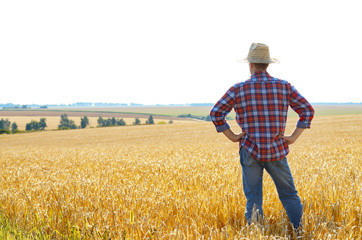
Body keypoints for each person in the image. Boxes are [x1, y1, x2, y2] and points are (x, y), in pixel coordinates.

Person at [209, 43, 314, 230]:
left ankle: (256, 234)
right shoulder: (284, 86)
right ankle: (300, 233)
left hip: (249, 150)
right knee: (289, 195)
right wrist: (293, 137)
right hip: (277, 150)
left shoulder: (238, 89)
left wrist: (232, 136)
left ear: (250, 64)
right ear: (267, 64)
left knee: (253, 198)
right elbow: (307, 110)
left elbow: (216, 112)